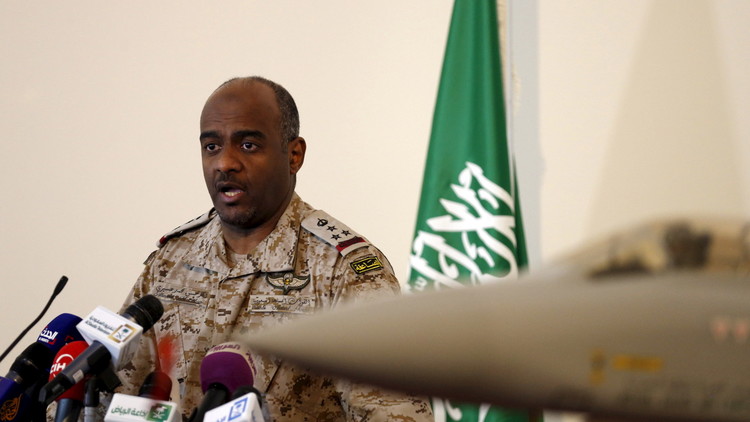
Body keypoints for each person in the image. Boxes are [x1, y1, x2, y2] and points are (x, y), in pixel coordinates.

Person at [116, 76, 434, 421]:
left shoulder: (343, 270)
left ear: (294, 155)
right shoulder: (172, 259)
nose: (224, 163)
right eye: (212, 147)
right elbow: (118, 394)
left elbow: (395, 414)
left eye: (248, 145)